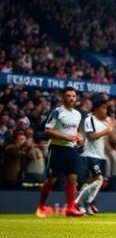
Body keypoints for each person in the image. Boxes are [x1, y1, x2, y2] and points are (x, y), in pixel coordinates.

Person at [36, 87, 83, 218]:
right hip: (57, 149)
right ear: (62, 98)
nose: (71, 98)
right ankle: (41, 206)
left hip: (71, 149)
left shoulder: (77, 114)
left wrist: (79, 137)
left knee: (73, 179)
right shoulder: (57, 112)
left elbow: (76, 130)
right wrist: (66, 137)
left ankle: (71, 208)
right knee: (52, 179)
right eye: (68, 96)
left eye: (73, 96)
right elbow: (47, 131)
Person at [76, 96, 116, 214]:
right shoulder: (90, 119)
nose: (106, 111)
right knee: (99, 179)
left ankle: (85, 205)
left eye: (106, 108)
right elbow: (91, 136)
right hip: (90, 155)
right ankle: (82, 202)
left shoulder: (104, 122)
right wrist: (106, 131)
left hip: (99, 156)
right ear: (96, 109)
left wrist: (111, 127)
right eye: (103, 108)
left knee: (89, 181)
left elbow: (114, 140)